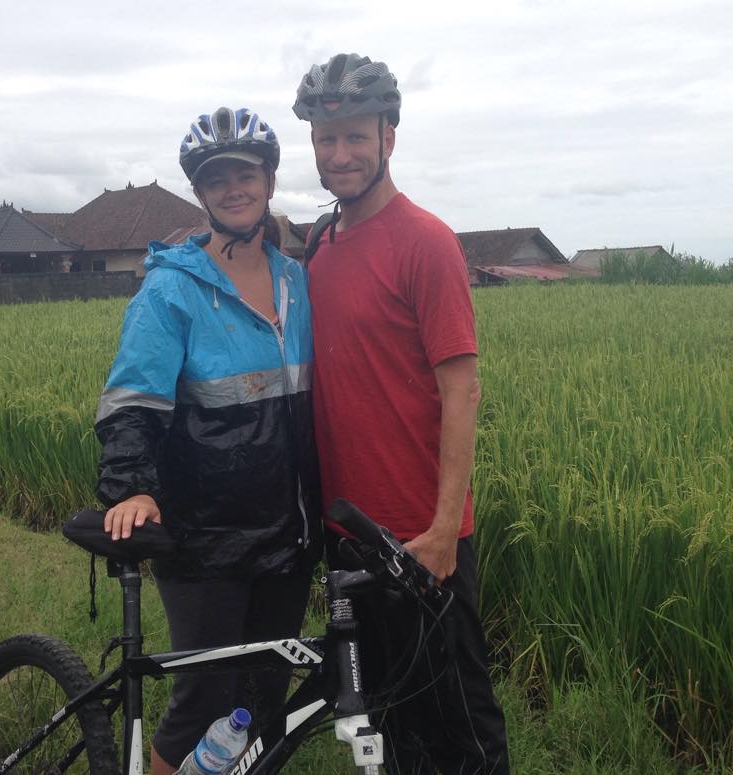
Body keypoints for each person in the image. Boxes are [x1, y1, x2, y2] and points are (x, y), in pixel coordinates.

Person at [293, 53, 510, 774]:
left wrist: (447, 529)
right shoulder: (322, 246)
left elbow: (462, 389)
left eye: (355, 136)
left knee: (462, 731)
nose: (340, 153)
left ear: (389, 136)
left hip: (420, 539)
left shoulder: (426, 242)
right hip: (346, 534)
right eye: (326, 139)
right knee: (383, 726)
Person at [94, 107, 322, 775]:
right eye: (216, 178)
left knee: (262, 700)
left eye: (244, 175)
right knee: (204, 700)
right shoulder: (174, 290)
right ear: (200, 192)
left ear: (269, 181)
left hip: (288, 532)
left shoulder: (297, 280)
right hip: (206, 538)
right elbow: (132, 397)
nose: (233, 188)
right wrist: (131, 483)